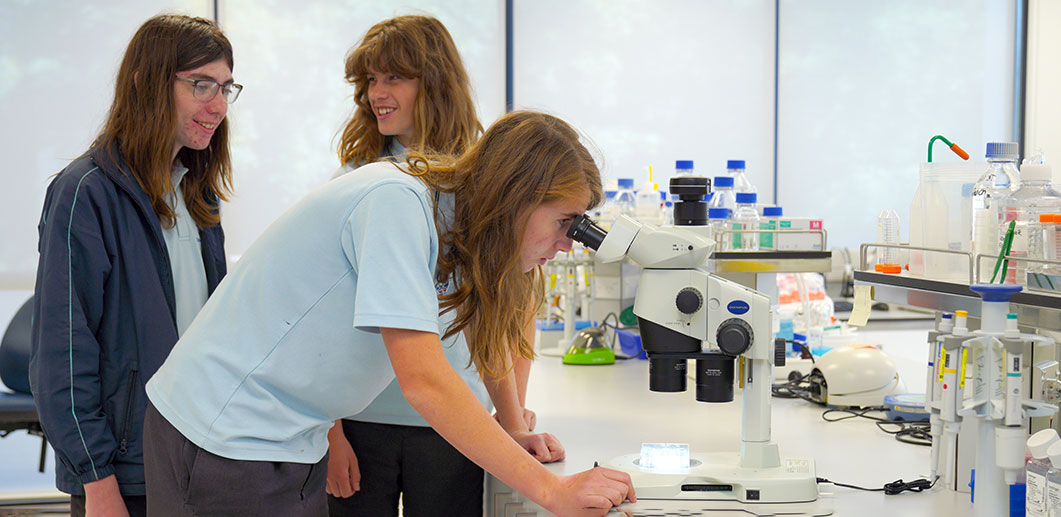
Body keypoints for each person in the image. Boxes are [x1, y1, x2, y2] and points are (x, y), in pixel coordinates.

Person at [142, 111, 636, 516]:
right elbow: (424, 380)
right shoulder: (397, 203)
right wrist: (552, 492)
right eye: (564, 222)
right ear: (515, 198)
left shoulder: (457, 231)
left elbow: (486, 335)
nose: (570, 243)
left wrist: (514, 427)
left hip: (288, 435)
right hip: (224, 437)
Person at [325, 16, 558, 516]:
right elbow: (322, 319)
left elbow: (498, 313)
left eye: (393, 77)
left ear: (434, 83)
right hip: (361, 424)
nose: (376, 94)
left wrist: (512, 423)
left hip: (452, 423)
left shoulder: (480, 181)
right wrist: (329, 432)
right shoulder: (357, 180)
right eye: (370, 80)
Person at [28, 14, 238, 517]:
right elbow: (63, 353)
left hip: (198, 456)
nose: (217, 106)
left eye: (227, 88)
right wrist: (95, 481)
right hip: (125, 474)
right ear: (146, 81)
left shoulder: (197, 190)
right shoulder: (85, 193)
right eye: (200, 85)